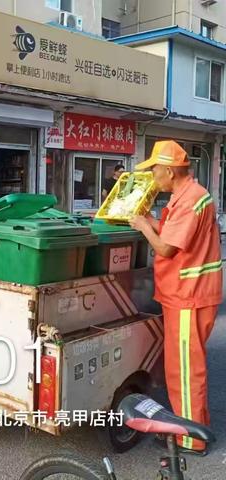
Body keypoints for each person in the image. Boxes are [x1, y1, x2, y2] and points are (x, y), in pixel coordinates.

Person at [129, 140, 222, 456]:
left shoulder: (190, 200)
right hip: (186, 295)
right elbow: (171, 233)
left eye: (155, 169)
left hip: (188, 296)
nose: (153, 175)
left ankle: (190, 438)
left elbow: (166, 248)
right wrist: (147, 219)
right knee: (183, 367)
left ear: (169, 170)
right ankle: (194, 427)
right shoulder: (187, 197)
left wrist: (143, 226)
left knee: (184, 371)